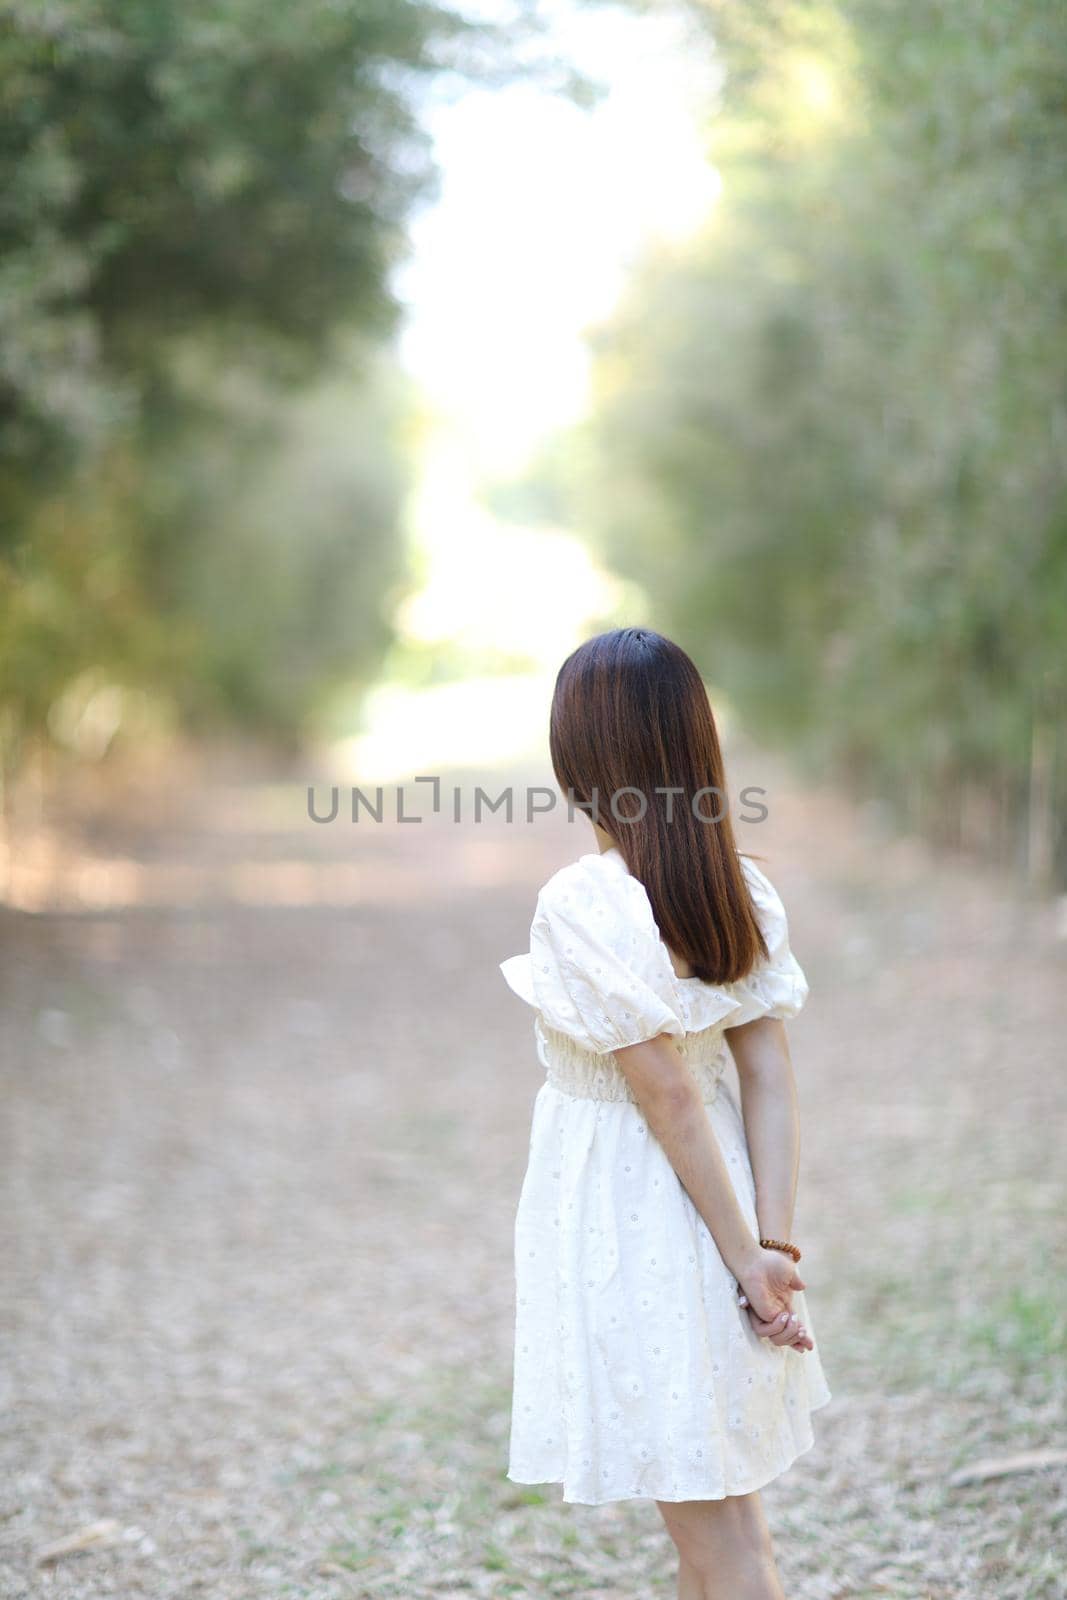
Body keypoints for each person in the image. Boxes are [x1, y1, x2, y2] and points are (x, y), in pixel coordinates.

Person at [498, 627, 832, 1600]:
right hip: (723, 1206)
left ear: (578, 760)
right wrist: (770, 1242)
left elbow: (667, 1095)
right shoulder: (734, 885)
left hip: (638, 1217)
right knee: (720, 1515)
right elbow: (764, 1073)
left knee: (721, 1544)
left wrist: (745, 1261)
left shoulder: (584, 902)